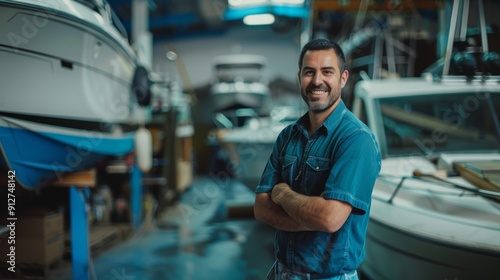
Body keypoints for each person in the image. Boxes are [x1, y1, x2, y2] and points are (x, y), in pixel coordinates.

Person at [254, 38, 381, 280]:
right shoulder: (288, 135)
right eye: (309, 72)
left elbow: (329, 218)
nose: (317, 81)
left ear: (343, 78)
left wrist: (282, 194)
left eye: (327, 72)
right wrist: (312, 216)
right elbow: (261, 208)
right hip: (281, 273)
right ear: (299, 77)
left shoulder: (356, 140)